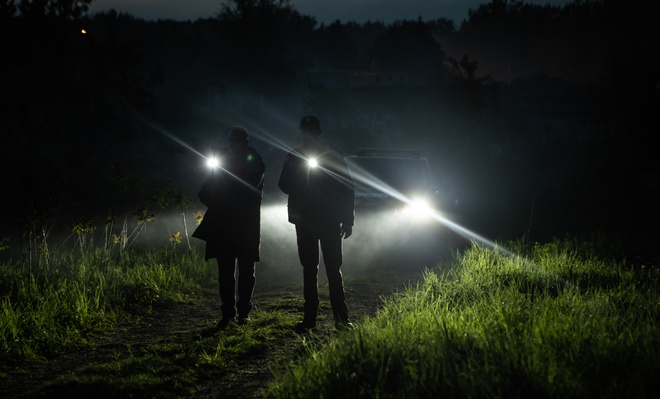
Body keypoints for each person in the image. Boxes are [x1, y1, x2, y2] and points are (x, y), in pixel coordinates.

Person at [278, 115, 355, 331]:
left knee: (332, 268)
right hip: (308, 220)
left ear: (316, 132)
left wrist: (348, 220)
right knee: (311, 269)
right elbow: (284, 184)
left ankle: (340, 319)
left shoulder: (332, 155)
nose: (306, 134)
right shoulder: (296, 155)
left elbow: (347, 188)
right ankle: (312, 319)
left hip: (325, 219)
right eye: (305, 131)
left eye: (309, 131)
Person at [192, 126, 265, 329]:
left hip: (243, 225)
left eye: (235, 141)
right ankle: (229, 312)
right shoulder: (233, 162)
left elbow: (246, 187)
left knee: (245, 271)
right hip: (229, 225)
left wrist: (221, 198)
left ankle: (242, 312)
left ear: (244, 143)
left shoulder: (255, 162)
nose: (232, 145)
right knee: (227, 271)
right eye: (231, 141)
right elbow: (205, 192)